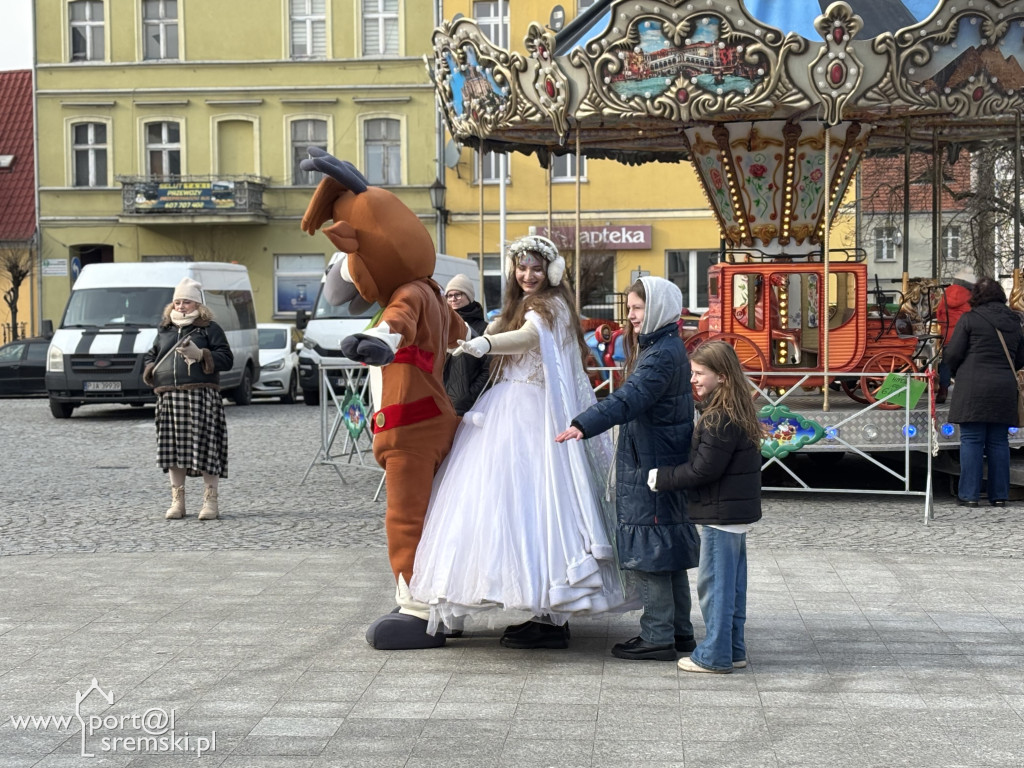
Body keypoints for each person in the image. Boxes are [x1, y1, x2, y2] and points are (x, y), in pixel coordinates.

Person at [410, 235, 638, 648]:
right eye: (522, 267)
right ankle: (537, 607)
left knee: (541, 507)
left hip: (533, 415)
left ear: (551, 271)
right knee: (500, 506)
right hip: (506, 412)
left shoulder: (550, 306)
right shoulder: (520, 306)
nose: (528, 275)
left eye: (536, 268)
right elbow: (493, 330)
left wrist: (486, 342)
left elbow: (529, 338)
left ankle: (550, 614)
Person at [555, 277, 700, 661]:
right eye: (631, 308)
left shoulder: (660, 354)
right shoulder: (663, 345)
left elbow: (630, 398)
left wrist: (584, 423)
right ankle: (679, 632)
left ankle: (657, 636)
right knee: (667, 549)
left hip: (652, 463)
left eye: (637, 308)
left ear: (657, 308)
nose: (631, 316)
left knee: (653, 549)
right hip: (661, 458)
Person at [648, 341, 762, 674]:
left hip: (720, 515)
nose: (693, 379)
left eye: (699, 373)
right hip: (734, 515)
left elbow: (703, 470)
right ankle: (733, 649)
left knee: (715, 588)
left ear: (722, 376)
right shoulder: (738, 409)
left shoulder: (718, 417)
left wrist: (662, 477)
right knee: (733, 587)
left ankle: (713, 655)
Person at [143, 277, 233, 521]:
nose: (181, 306)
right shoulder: (165, 329)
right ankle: (178, 502)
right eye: (177, 302)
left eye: (186, 302)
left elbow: (227, 358)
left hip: (201, 396)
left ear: (198, 304)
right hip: (169, 397)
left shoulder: (210, 328)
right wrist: (150, 368)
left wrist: (202, 354)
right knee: (172, 451)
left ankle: (210, 501)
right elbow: (150, 355)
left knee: (206, 449)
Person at [944, 276, 1024, 508]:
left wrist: (957, 371)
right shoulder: (1015, 321)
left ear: (976, 297)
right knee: (999, 441)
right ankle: (999, 496)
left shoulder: (970, 319)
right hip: (1004, 387)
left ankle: (969, 495)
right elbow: (1020, 357)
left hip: (972, 387)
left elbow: (953, 354)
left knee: (972, 440)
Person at [442, 274, 490, 416]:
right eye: (449, 296)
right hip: (439, 402)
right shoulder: (440, 327)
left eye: (458, 294)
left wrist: (468, 397)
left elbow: (489, 369)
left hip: (467, 408)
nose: (453, 299)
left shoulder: (483, 329)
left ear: (469, 297)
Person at [935, 268, 975, 403]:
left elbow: (939, 314)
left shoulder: (946, 294)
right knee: (966, 362)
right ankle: (965, 392)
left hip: (948, 334)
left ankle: (943, 391)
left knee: (946, 362)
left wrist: (945, 326)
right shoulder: (971, 297)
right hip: (964, 334)